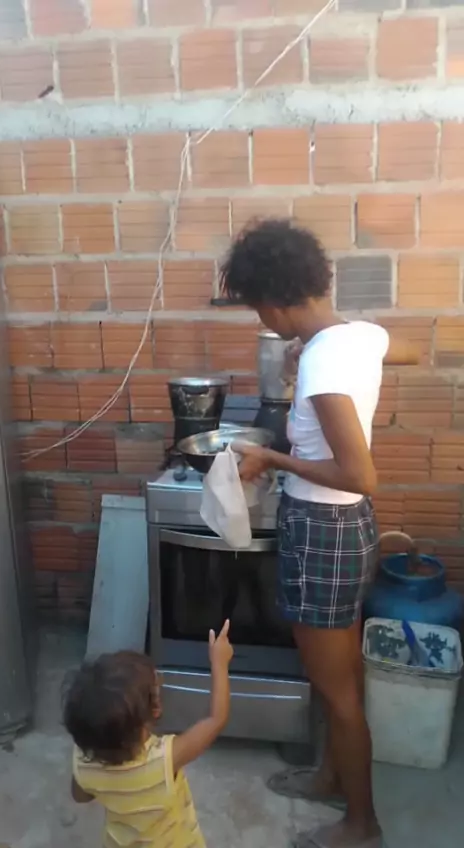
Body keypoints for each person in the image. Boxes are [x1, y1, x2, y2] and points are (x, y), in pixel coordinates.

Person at [220, 220, 419, 848]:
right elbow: (409, 350)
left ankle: (361, 825)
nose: (260, 317)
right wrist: (316, 356)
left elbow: (360, 475)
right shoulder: (355, 336)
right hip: (347, 529)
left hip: (324, 530)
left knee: (338, 693)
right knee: (337, 679)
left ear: (274, 300)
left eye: (256, 306)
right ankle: (330, 776)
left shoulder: (325, 361)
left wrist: (272, 459)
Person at [63, 621, 233, 848]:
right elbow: (216, 719)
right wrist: (220, 662)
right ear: (154, 711)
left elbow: (80, 796)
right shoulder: (163, 761)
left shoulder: (83, 763)